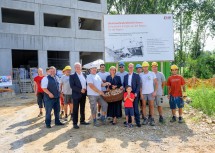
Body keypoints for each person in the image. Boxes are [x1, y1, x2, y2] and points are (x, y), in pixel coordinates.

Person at [70, 62, 90, 129]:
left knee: (82, 108)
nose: (78, 68)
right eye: (76, 67)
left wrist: (85, 90)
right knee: (75, 109)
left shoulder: (84, 74)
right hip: (76, 95)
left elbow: (86, 83)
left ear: (81, 67)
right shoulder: (72, 76)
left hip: (83, 94)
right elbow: (72, 86)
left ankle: (82, 120)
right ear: (74, 68)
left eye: (79, 67)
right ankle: (75, 123)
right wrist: (80, 90)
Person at [140, 61, 158, 126]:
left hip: (151, 92)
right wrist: (141, 94)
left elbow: (156, 83)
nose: (145, 68)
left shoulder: (152, 73)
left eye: (146, 67)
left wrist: (155, 91)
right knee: (143, 106)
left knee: (151, 106)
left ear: (148, 67)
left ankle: (152, 119)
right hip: (144, 93)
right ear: (142, 67)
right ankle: (145, 118)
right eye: (144, 67)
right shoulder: (140, 75)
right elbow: (140, 85)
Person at [123, 63, 141, 127]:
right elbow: (124, 85)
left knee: (135, 108)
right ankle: (129, 122)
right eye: (129, 67)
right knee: (128, 107)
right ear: (128, 68)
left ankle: (138, 122)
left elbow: (139, 85)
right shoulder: (125, 76)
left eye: (132, 67)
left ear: (133, 68)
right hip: (127, 94)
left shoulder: (136, 75)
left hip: (134, 94)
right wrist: (125, 94)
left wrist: (136, 92)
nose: (130, 68)